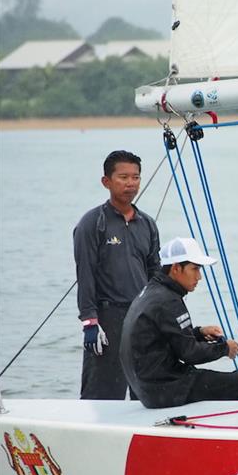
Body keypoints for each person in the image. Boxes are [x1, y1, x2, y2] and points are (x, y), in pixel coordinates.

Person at [120, 237, 238, 408]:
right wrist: (225, 348)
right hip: (165, 389)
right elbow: (189, 354)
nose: (199, 277)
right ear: (176, 268)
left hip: (146, 387)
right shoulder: (168, 300)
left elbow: (167, 339)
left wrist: (199, 333)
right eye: (194, 269)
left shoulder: (152, 291)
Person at [74, 150, 160, 400]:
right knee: (102, 393)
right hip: (107, 318)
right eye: (123, 177)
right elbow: (85, 274)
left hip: (141, 316)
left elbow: (155, 271)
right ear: (106, 182)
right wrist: (90, 321)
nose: (130, 183)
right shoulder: (92, 223)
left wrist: (160, 313)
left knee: (146, 391)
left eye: (135, 177)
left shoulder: (147, 223)